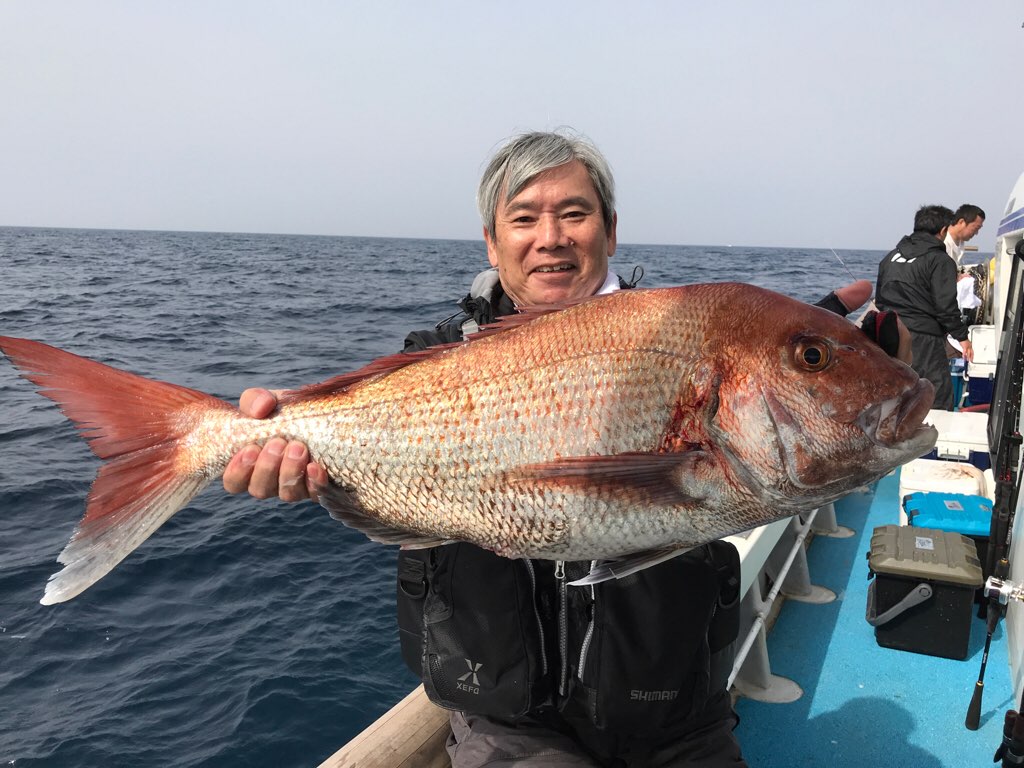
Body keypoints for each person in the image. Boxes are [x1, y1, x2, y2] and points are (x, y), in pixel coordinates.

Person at [223, 131, 909, 767]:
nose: (550, 239)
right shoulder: (429, 358)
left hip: (676, 706)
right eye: (523, 219)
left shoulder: (677, 332)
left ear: (611, 231)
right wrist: (282, 441)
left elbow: (755, 447)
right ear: (491, 243)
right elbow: (365, 435)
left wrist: (840, 384)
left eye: (574, 214)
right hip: (505, 719)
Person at [876, 204, 973, 411]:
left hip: (889, 333)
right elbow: (945, 306)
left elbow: (880, 299)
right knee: (936, 395)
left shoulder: (889, 257)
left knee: (895, 393)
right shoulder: (940, 261)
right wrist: (963, 338)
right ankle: (930, 440)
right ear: (943, 230)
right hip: (924, 339)